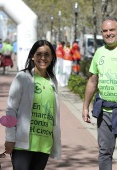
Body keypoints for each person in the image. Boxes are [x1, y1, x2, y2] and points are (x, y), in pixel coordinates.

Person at [4, 40, 61, 170]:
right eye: (39, 54)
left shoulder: (53, 81)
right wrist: (10, 138)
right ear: (32, 56)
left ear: (52, 58)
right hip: (23, 144)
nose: (43, 58)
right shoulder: (22, 77)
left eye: (47, 54)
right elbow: (11, 109)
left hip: (44, 144)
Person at [82, 16, 117, 170]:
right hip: (105, 112)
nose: (108, 33)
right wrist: (85, 107)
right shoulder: (99, 53)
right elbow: (92, 81)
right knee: (104, 152)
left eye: (112, 30)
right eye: (105, 31)